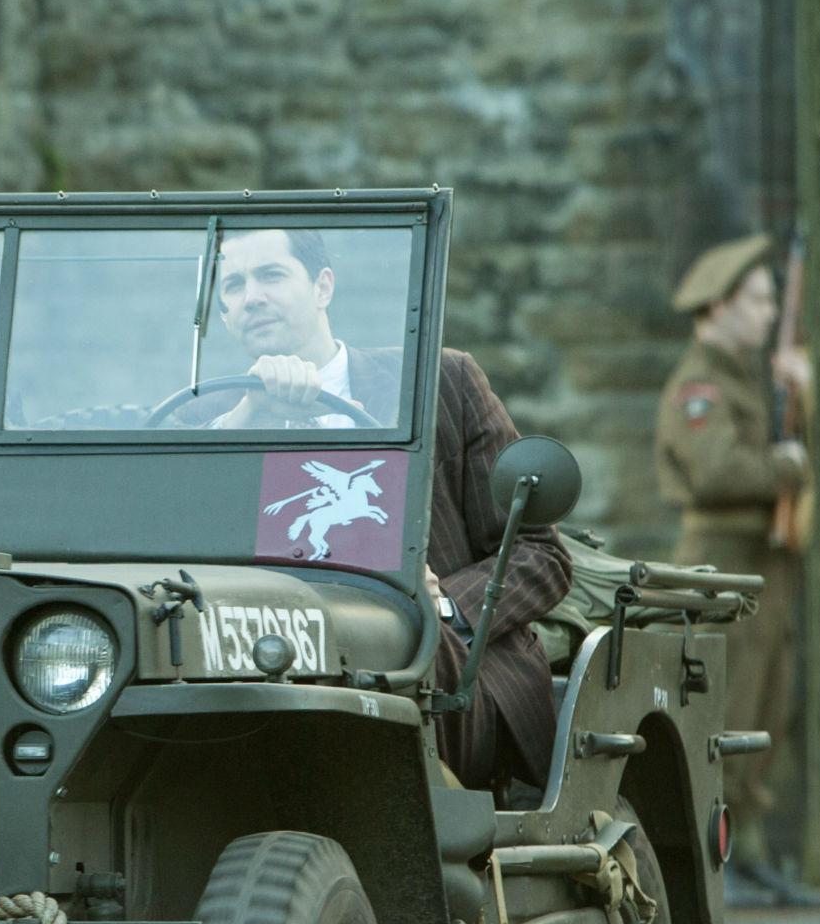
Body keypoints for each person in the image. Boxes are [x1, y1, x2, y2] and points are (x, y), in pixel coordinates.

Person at [209, 226, 571, 792]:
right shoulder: (208, 426)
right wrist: (249, 416)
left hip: (433, 660)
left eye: (271, 275)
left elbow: (539, 554)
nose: (250, 295)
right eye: (232, 285)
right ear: (223, 316)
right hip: (266, 659)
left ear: (323, 286)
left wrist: (442, 605)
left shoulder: (440, 383)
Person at [655, 233, 820, 907]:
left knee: (768, 703)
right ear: (717, 306)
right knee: (724, 709)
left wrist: (800, 402)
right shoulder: (700, 385)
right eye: (756, 299)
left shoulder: (746, 382)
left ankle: (748, 848)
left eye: (771, 300)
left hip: (763, 563)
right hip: (720, 564)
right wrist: (787, 465)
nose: (767, 311)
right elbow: (718, 470)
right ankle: (715, 855)